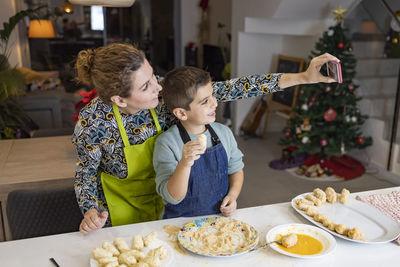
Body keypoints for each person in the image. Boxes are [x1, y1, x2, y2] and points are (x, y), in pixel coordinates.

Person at [72, 42, 339, 234]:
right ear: (119, 99)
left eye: (153, 75)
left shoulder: (164, 95)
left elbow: (236, 88)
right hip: (123, 216)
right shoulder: (93, 123)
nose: (159, 86)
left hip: (170, 208)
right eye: (146, 86)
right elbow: (86, 173)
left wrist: (304, 77)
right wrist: (90, 211)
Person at [153, 66, 244, 218]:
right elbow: (172, 197)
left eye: (212, 96)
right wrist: (185, 163)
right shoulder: (167, 143)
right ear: (181, 113)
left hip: (217, 219)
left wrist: (233, 196)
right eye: (205, 102)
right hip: (178, 224)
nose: (214, 103)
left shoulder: (224, 133)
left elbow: (236, 169)